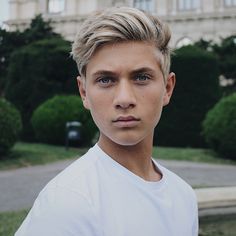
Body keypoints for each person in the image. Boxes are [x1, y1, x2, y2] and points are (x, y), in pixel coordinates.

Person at [15, 6, 198, 236]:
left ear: (167, 88)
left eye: (141, 77)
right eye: (105, 80)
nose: (124, 99)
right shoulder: (67, 203)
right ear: (83, 92)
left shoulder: (184, 196)